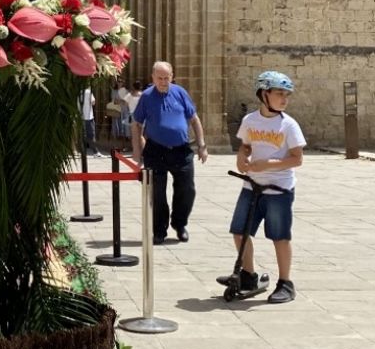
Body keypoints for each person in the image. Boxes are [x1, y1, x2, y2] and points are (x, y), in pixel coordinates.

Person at [218, 71, 305, 304]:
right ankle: (248, 275)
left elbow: (297, 158)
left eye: (287, 95)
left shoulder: (288, 125)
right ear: (264, 94)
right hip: (251, 186)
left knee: (279, 236)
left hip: (278, 189)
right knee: (239, 231)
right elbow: (246, 145)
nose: (284, 99)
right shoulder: (250, 121)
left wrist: (268, 164)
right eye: (279, 94)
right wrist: (241, 156)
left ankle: (285, 283)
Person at [131, 62, 208, 244]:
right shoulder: (146, 97)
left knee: (187, 189)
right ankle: (159, 230)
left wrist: (202, 145)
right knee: (157, 193)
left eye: (167, 78)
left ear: (172, 76)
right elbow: (137, 124)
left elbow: (194, 119)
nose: (163, 82)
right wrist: (137, 150)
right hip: (156, 150)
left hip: (181, 150)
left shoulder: (180, 92)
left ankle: (179, 224)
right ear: (153, 77)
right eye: (160, 78)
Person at [110, 79, 131, 148]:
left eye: (121, 81)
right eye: (118, 81)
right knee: (115, 127)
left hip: (124, 111)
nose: (120, 83)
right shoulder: (114, 91)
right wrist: (121, 101)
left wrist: (120, 101)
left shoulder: (126, 91)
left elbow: (126, 102)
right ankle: (115, 145)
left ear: (123, 83)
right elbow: (114, 101)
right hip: (116, 110)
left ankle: (124, 146)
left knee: (124, 128)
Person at [79, 86, 97, 156]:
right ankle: (95, 151)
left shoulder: (78, 92)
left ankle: (83, 151)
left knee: (83, 134)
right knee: (92, 134)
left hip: (81, 117)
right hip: (89, 117)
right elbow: (93, 102)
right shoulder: (89, 92)